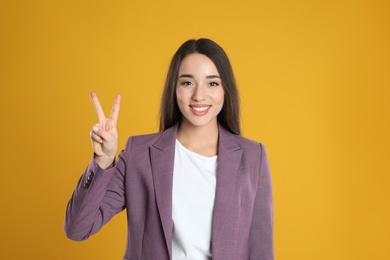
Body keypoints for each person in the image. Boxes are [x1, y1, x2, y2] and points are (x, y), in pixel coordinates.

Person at [64, 38, 273, 260]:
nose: (199, 95)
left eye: (212, 83)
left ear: (225, 90)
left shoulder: (252, 157)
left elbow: (261, 250)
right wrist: (103, 160)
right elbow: (77, 229)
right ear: (174, 88)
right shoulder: (139, 155)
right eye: (187, 83)